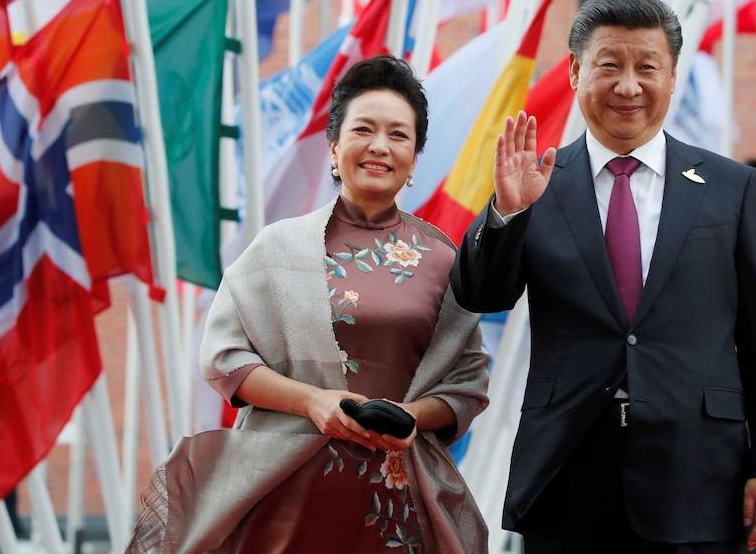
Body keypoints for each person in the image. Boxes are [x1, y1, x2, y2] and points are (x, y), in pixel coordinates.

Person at [449, 0, 756, 554]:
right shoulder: (538, 181)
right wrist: (508, 211)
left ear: (673, 76)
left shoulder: (732, 189)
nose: (629, 86)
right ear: (574, 70)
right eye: (609, 65)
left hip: (700, 476)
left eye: (647, 67)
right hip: (566, 475)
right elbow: (480, 294)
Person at [126, 54, 491, 554]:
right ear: (335, 146)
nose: (380, 146)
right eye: (364, 129)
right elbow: (224, 358)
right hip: (281, 498)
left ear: (414, 157)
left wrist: (410, 418)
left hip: (394, 508)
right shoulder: (278, 248)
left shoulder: (443, 259)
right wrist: (313, 402)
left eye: (399, 135)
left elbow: (467, 381)